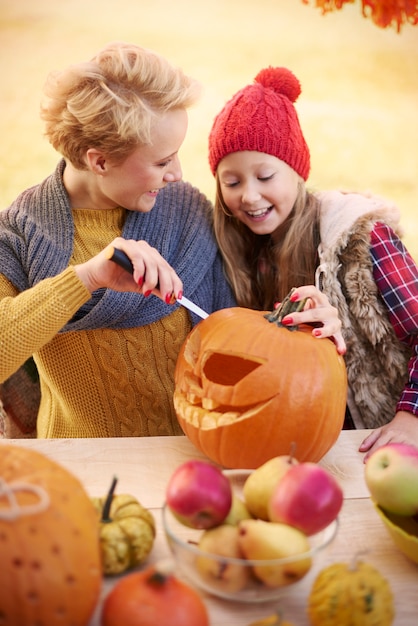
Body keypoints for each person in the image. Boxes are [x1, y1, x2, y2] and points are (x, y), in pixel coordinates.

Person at [0, 42, 236, 438]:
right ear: (100, 161)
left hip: (196, 455)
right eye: (162, 161)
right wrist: (86, 279)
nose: (177, 173)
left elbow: (234, 333)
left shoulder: (187, 211)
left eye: (176, 155)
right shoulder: (20, 235)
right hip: (81, 468)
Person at [207, 66, 418, 461]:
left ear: (297, 173)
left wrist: (412, 418)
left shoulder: (362, 239)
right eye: (232, 182)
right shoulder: (242, 249)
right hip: (306, 446)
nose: (249, 196)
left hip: (383, 441)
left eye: (265, 175)